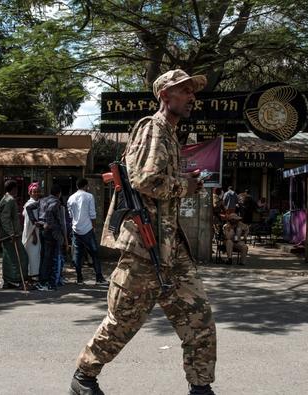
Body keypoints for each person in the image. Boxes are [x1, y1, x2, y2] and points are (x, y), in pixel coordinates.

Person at [70, 69, 216, 395]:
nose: (192, 97)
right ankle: (83, 377)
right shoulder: (155, 129)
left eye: (193, 92)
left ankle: (201, 389)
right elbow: (144, 180)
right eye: (185, 91)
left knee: (200, 321)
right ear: (165, 96)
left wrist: (182, 186)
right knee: (122, 322)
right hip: (145, 249)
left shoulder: (171, 134)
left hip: (169, 250)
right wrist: (185, 186)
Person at [67, 178, 105, 285]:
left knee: (78, 255)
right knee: (95, 253)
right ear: (85, 186)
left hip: (76, 229)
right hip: (87, 229)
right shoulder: (89, 196)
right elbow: (92, 213)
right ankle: (99, 277)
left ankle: (79, 278)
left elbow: (70, 215)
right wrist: (93, 226)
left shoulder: (70, 198)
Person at [0, 180, 28, 290]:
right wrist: (11, 233)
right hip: (10, 235)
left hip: (6, 234)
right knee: (20, 257)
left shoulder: (4, 199)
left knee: (8, 257)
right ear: (14, 189)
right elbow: (5, 218)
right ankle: (18, 281)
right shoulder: (10, 200)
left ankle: (7, 281)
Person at [37, 184, 64, 291]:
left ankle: (43, 280)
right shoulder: (56, 201)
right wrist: (49, 224)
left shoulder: (42, 200)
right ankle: (45, 282)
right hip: (51, 232)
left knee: (45, 256)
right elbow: (49, 211)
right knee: (50, 257)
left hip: (43, 231)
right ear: (59, 193)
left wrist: (36, 221)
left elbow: (29, 207)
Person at [22, 182, 42, 280]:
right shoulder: (29, 204)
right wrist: (34, 235)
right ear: (30, 193)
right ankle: (32, 275)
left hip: (35, 232)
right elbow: (29, 221)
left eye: (38, 191)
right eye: (34, 192)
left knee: (34, 254)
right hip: (31, 233)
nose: (36, 193)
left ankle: (33, 274)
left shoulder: (36, 204)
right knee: (33, 254)